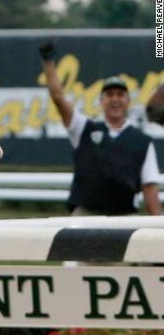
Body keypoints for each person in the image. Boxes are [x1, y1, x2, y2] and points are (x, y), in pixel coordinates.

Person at [40, 42, 162, 216]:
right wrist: (48, 62)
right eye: (109, 95)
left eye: (120, 95)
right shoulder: (83, 128)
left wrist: (158, 227)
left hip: (124, 216)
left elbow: (149, 187)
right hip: (86, 214)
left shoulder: (142, 141)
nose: (115, 100)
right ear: (101, 100)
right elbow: (58, 97)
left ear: (128, 101)